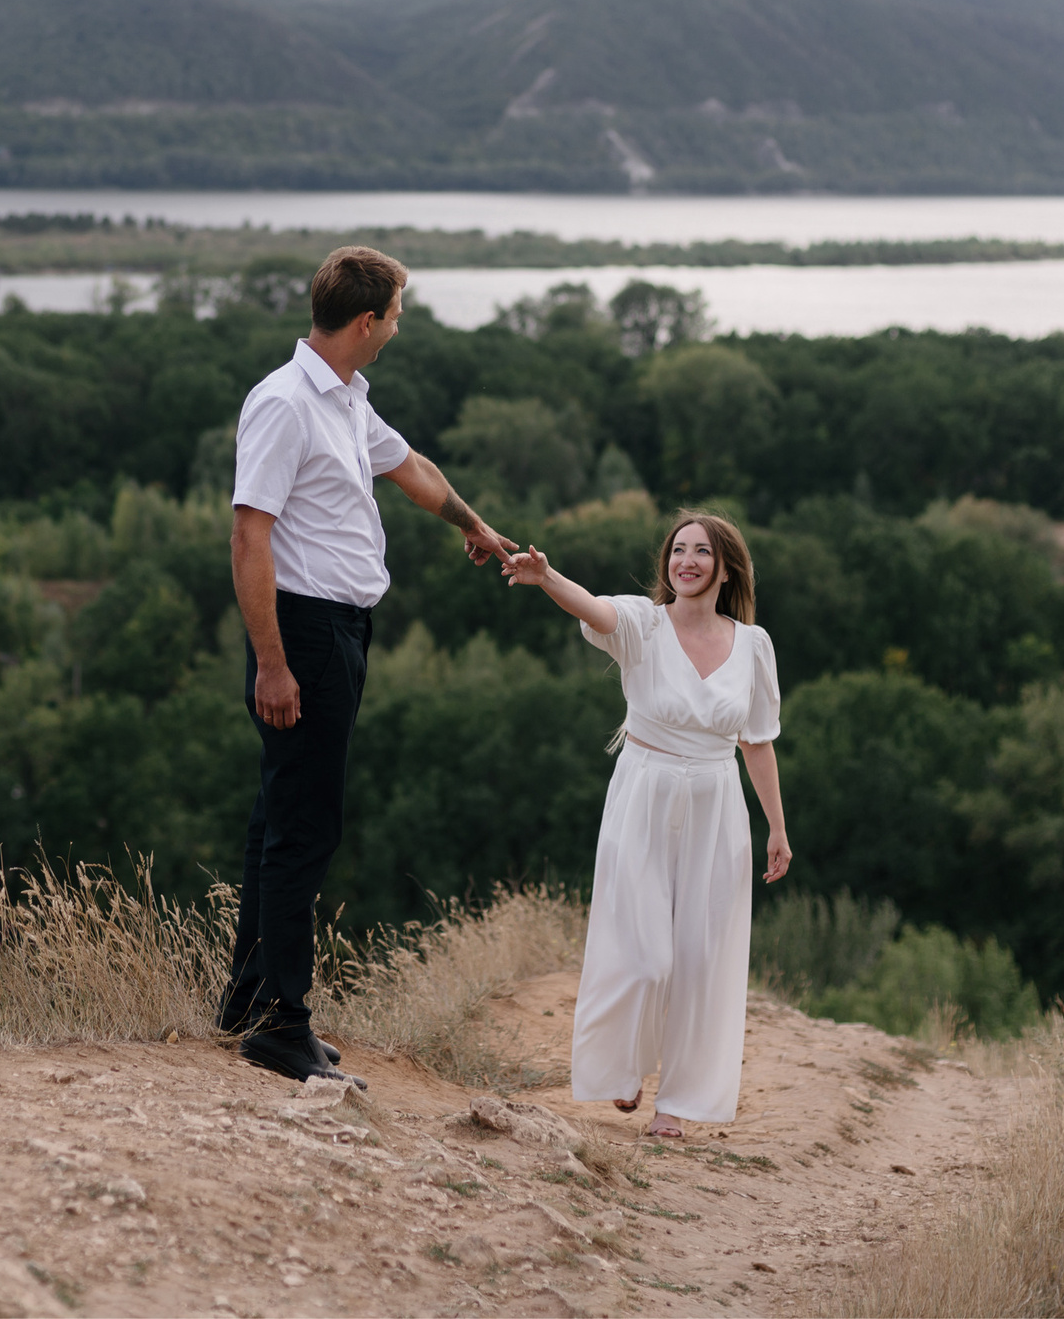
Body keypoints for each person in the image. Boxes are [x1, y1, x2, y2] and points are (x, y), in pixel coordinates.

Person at [222, 245, 517, 1084]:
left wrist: (476, 525)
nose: (397, 327)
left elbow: (411, 467)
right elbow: (250, 536)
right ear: (366, 320)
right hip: (303, 633)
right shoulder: (283, 404)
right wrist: (273, 666)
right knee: (305, 827)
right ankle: (283, 1025)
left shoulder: (347, 397)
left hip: (344, 629)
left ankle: (247, 1000)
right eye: (394, 315)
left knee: (278, 815)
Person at [504, 510, 791, 1138]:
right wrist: (547, 576)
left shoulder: (753, 646)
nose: (685, 562)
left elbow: (758, 742)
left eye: (701, 552)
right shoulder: (641, 623)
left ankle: (679, 1103)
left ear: (725, 568)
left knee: (700, 957)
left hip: (718, 805)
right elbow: (593, 608)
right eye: (678, 551)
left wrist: (776, 826)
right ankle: (625, 1064)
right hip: (643, 795)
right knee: (645, 955)